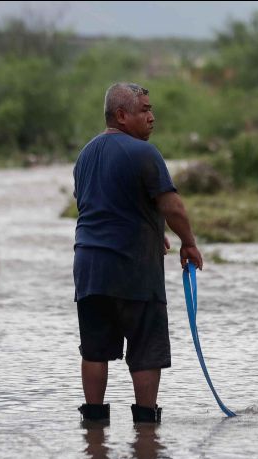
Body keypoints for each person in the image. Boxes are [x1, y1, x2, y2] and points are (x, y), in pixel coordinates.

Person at [73, 82, 203, 425]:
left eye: (150, 109)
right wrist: (188, 242)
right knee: (146, 349)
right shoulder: (145, 153)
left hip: (88, 268)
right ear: (121, 115)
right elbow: (173, 206)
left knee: (95, 349)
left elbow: (102, 206)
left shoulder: (85, 155)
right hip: (133, 268)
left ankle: (94, 426)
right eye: (143, 110)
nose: (151, 117)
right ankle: (147, 426)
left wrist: (152, 232)